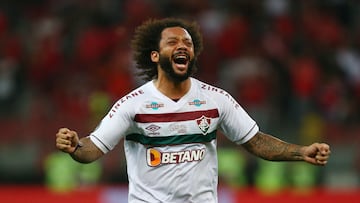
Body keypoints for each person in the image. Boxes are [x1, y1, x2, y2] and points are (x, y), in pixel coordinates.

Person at [55, 18, 331, 203]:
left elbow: (255, 141)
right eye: (173, 42)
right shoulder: (134, 104)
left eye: (187, 43)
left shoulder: (215, 100)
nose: (182, 47)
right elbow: (94, 148)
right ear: (155, 55)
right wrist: (75, 146)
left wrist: (301, 152)